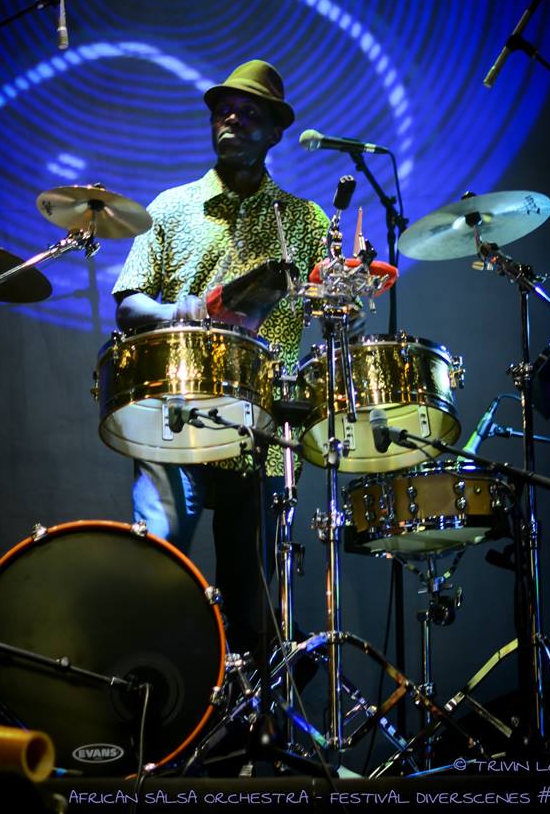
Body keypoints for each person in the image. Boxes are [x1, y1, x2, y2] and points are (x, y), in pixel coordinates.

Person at [112, 59, 329, 654]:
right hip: (176, 411)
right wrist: (185, 310)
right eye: (222, 111)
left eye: (247, 112)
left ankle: (249, 706)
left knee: (253, 604)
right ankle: (151, 687)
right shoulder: (171, 206)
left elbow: (332, 308)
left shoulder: (304, 220)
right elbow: (129, 305)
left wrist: (349, 301)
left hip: (261, 428)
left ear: (275, 132)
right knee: (160, 558)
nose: (230, 120)